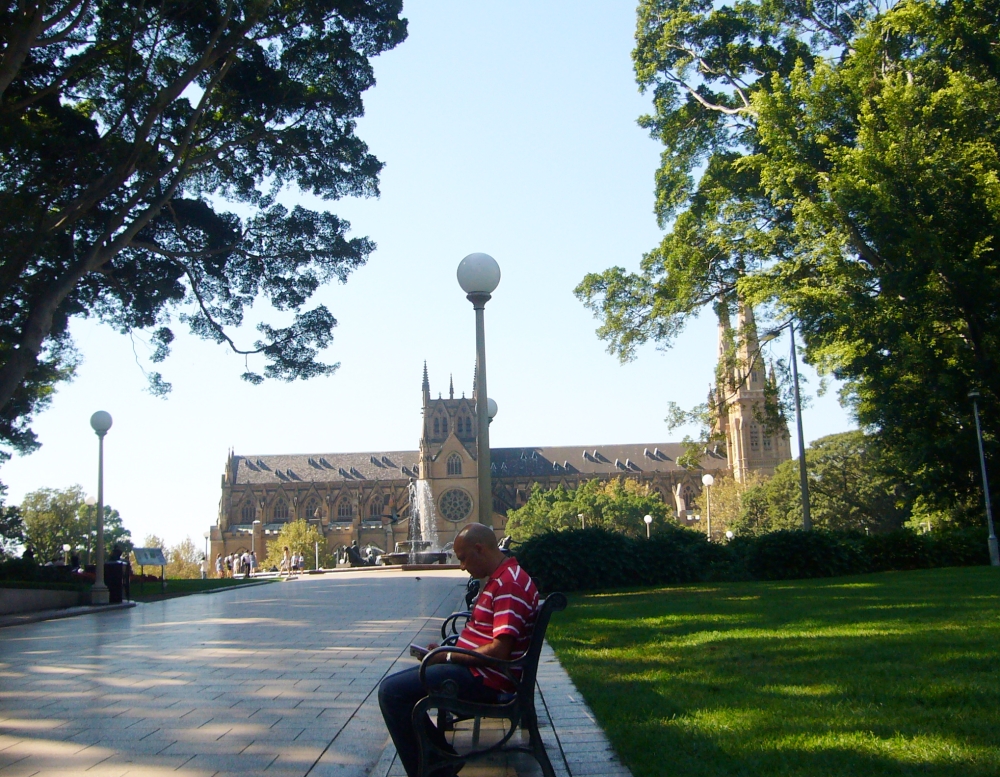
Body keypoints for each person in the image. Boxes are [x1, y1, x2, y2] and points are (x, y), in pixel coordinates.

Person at [378, 523, 539, 777]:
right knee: (399, 688)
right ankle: (440, 761)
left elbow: (499, 651)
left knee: (392, 692)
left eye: (464, 558)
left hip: (487, 681)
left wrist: (448, 655)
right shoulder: (503, 577)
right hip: (478, 672)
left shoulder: (509, 584)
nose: (462, 566)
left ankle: (436, 769)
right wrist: (447, 652)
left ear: (480, 549)